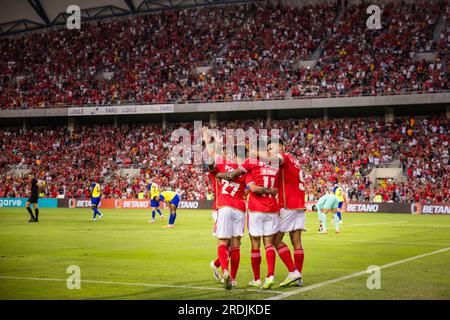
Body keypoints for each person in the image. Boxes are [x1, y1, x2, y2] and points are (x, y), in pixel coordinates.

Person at [217, 139, 279, 290]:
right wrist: (271, 191)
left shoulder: (250, 164)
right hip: (271, 207)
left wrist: (219, 174)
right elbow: (276, 187)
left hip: (254, 208)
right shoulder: (275, 164)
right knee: (268, 244)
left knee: (252, 244)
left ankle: (255, 278)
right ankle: (270, 275)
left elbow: (233, 177)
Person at [268, 138, 304, 287]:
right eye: (268, 148)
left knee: (275, 240)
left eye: (272, 147)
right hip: (299, 205)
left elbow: (276, 158)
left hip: (288, 204)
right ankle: (298, 277)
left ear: (281, 147)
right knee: (296, 242)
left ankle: (293, 271)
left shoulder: (285, 158)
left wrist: (256, 153)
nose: (270, 150)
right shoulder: (295, 161)